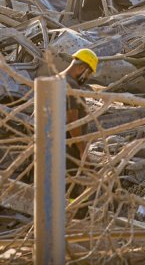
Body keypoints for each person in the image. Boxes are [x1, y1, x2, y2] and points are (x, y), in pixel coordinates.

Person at [59, 48, 98, 205]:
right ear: (82, 68)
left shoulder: (56, 79)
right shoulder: (71, 85)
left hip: (53, 142)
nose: (87, 78)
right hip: (69, 145)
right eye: (88, 74)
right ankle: (75, 218)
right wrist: (82, 151)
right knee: (74, 185)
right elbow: (72, 121)